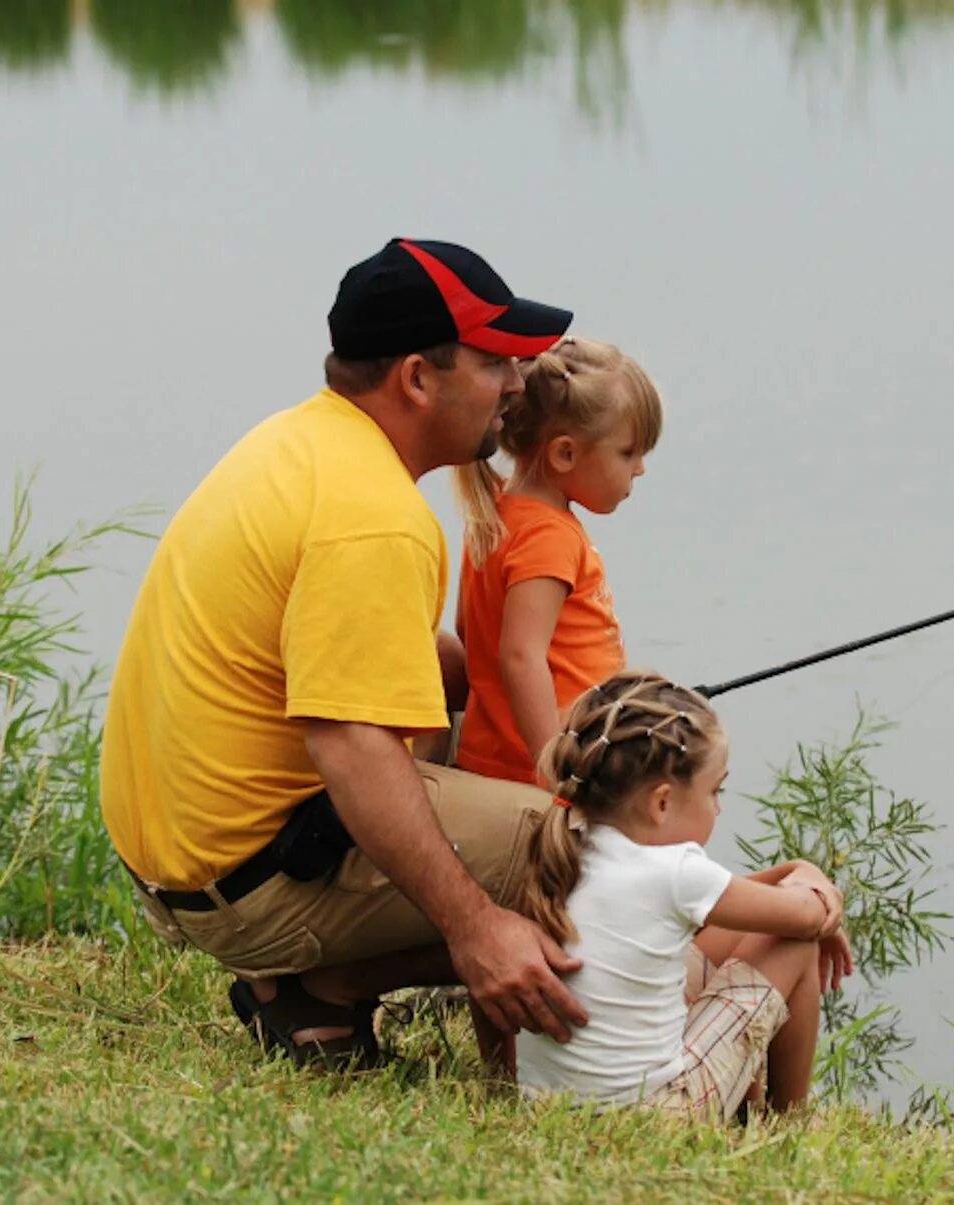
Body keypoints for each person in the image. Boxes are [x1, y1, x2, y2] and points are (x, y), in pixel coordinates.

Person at [101, 237, 590, 1067]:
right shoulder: (375, 517)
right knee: (585, 849)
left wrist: (541, 689)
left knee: (516, 798)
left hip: (186, 865)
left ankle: (312, 987)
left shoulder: (299, 444)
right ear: (416, 376)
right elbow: (352, 745)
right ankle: (318, 983)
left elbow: (362, 647)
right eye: (497, 359)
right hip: (251, 884)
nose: (517, 384)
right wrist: (475, 929)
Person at [514, 670, 855, 1118]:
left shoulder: (569, 840)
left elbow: (735, 909)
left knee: (732, 937)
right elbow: (806, 918)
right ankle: (786, 1126)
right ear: (661, 803)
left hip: (550, 1105)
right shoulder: (676, 874)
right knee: (793, 943)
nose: (720, 806)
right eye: (715, 791)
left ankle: (742, 1111)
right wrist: (815, 881)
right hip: (654, 1115)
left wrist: (795, 871)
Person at [452, 338, 661, 785]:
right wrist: (556, 771)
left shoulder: (496, 511)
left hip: (497, 757)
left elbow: (470, 632)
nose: (639, 469)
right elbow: (520, 657)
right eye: (628, 452)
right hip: (539, 771)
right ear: (565, 453)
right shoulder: (547, 537)